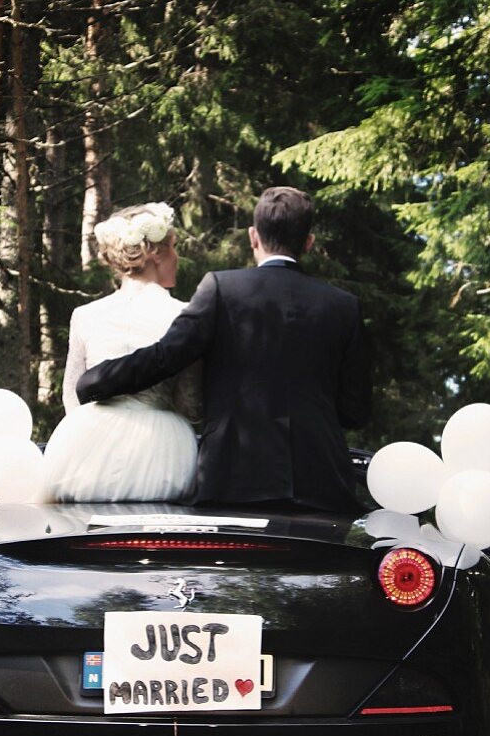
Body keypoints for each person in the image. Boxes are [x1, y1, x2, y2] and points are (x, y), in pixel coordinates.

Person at [77, 186, 372, 512]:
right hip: (323, 481)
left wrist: (98, 379)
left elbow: (166, 357)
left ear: (253, 236)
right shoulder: (345, 306)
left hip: (234, 477)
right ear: (308, 242)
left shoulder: (222, 288)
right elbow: (354, 412)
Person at [45, 202, 200, 502]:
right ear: (156, 253)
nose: (177, 257)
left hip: (88, 450)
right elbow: (190, 400)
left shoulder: (86, 314)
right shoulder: (184, 314)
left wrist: (83, 444)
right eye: (173, 247)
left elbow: (72, 394)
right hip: (163, 448)